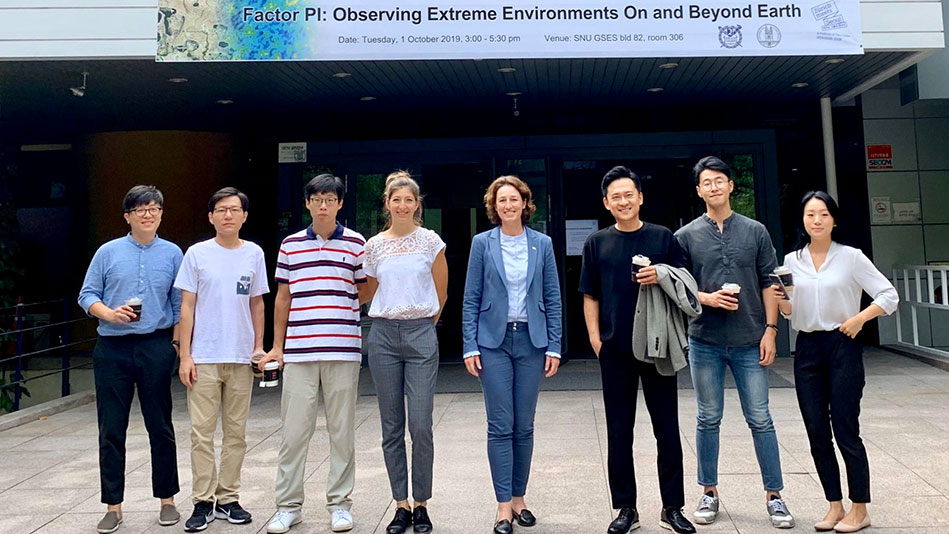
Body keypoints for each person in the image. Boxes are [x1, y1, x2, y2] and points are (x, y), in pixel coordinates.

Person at [673, 156, 793, 529]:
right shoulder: (686, 236)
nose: (713, 187)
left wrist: (771, 330)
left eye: (719, 181)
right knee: (708, 418)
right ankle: (709, 491)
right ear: (698, 190)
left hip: (749, 339)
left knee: (760, 418)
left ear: (730, 186)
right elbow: (679, 288)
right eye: (706, 182)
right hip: (704, 340)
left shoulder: (756, 231)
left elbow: (769, 282)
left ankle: (775, 496)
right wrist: (706, 298)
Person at [579, 166, 695, 534]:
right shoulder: (597, 243)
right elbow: (589, 295)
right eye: (616, 196)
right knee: (619, 432)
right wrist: (597, 340)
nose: (624, 201)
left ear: (640, 197)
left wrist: (660, 273)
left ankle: (672, 506)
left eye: (629, 194)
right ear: (607, 203)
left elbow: (686, 285)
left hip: (658, 348)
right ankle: (625, 507)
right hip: (615, 350)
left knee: (667, 429)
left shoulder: (663, 238)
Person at [773, 191, 897, 533]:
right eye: (810, 214)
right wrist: (782, 302)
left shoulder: (851, 258)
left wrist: (861, 318)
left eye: (823, 214)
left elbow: (889, 295)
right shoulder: (790, 261)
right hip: (808, 348)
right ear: (802, 220)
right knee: (816, 431)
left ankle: (860, 508)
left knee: (845, 429)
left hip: (844, 343)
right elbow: (790, 312)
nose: (817, 220)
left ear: (834, 219)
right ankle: (834, 505)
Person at [259, 174, 370, 534]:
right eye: (317, 199)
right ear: (307, 203)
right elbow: (283, 298)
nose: (323, 205)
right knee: (293, 433)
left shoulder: (356, 243)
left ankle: (340, 504)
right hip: (300, 352)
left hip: (343, 350)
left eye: (330, 199)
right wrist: (277, 346)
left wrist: (343, 307)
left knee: (342, 432)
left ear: (340, 204)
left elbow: (365, 289)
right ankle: (288, 506)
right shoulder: (290, 245)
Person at [78, 185, 182, 534]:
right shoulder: (107, 252)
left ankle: (167, 500)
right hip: (112, 348)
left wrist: (180, 347)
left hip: (155, 345)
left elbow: (181, 304)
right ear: (127, 216)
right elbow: (86, 294)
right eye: (140, 209)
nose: (148, 214)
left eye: (154, 208)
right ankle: (113, 506)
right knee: (111, 428)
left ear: (161, 214)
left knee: (161, 425)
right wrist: (107, 313)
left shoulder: (172, 254)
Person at [462, 175, 562, 534]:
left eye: (514, 199)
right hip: (493, 342)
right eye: (501, 200)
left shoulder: (542, 244)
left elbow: (552, 295)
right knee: (500, 425)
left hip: (532, 342)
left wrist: (555, 344)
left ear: (524, 203)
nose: (508, 205)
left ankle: (520, 499)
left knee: (525, 425)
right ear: (494, 205)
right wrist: (469, 344)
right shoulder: (482, 244)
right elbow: (471, 296)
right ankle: (503, 506)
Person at [174, 187, 268, 531]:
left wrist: (259, 347)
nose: (228, 215)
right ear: (211, 217)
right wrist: (186, 355)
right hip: (205, 356)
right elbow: (186, 306)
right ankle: (202, 500)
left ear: (244, 216)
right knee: (201, 433)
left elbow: (257, 302)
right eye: (221, 210)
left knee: (236, 433)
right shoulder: (197, 254)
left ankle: (228, 497)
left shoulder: (254, 254)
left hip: (241, 357)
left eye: (234, 209)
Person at [363, 171, 448, 534]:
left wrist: (425, 324)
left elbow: (441, 293)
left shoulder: (430, 242)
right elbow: (368, 291)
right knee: (391, 425)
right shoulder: (374, 245)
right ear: (387, 203)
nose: (402, 206)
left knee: (421, 424)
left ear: (417, 204)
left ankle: (422, 503)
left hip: (420, 333)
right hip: (382, 335)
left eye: (408, 200)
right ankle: (400, 504)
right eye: (395, 200)